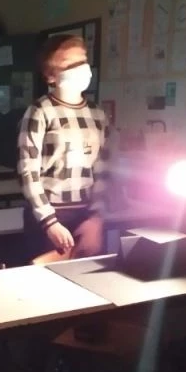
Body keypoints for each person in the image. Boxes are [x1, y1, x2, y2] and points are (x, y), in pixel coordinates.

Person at [17, 34, 111, 261]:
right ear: (51, 75)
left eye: (83, 61)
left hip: (87, 216)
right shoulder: (40, 111)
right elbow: (28, 172)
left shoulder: (97, 114)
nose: (80, 68)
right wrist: (49, 222)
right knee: (47, 278)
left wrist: (97, 218)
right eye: (70, 64)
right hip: (49, 215)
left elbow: (103, 170)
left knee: (87, 276)